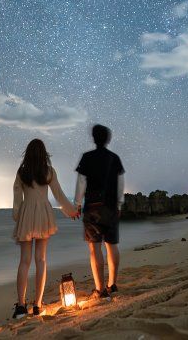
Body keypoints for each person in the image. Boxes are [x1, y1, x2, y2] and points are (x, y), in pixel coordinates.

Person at [11, 138, 78, 319]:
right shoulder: (48, 172)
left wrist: (18, 217)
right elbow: (59, 195)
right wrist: (71, 212)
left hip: (27, 214)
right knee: (41, 259)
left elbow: (17, 200)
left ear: (28, 154)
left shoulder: (22, 172)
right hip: (43, 215)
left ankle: (21, 306)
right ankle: (38, 305)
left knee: (24, 261)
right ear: (44, 154)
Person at [74, 124, 125, 301]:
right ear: (108, 139)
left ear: (94, 138)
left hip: (93, 207)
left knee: (95, 248)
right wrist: (119, 204)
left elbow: (81, 181)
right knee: (112, 245)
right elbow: (120, 182)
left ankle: (100, 289)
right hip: (110, 207)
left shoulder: (87, 157)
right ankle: (113, 284)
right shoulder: (114, 158)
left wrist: (77, 203)